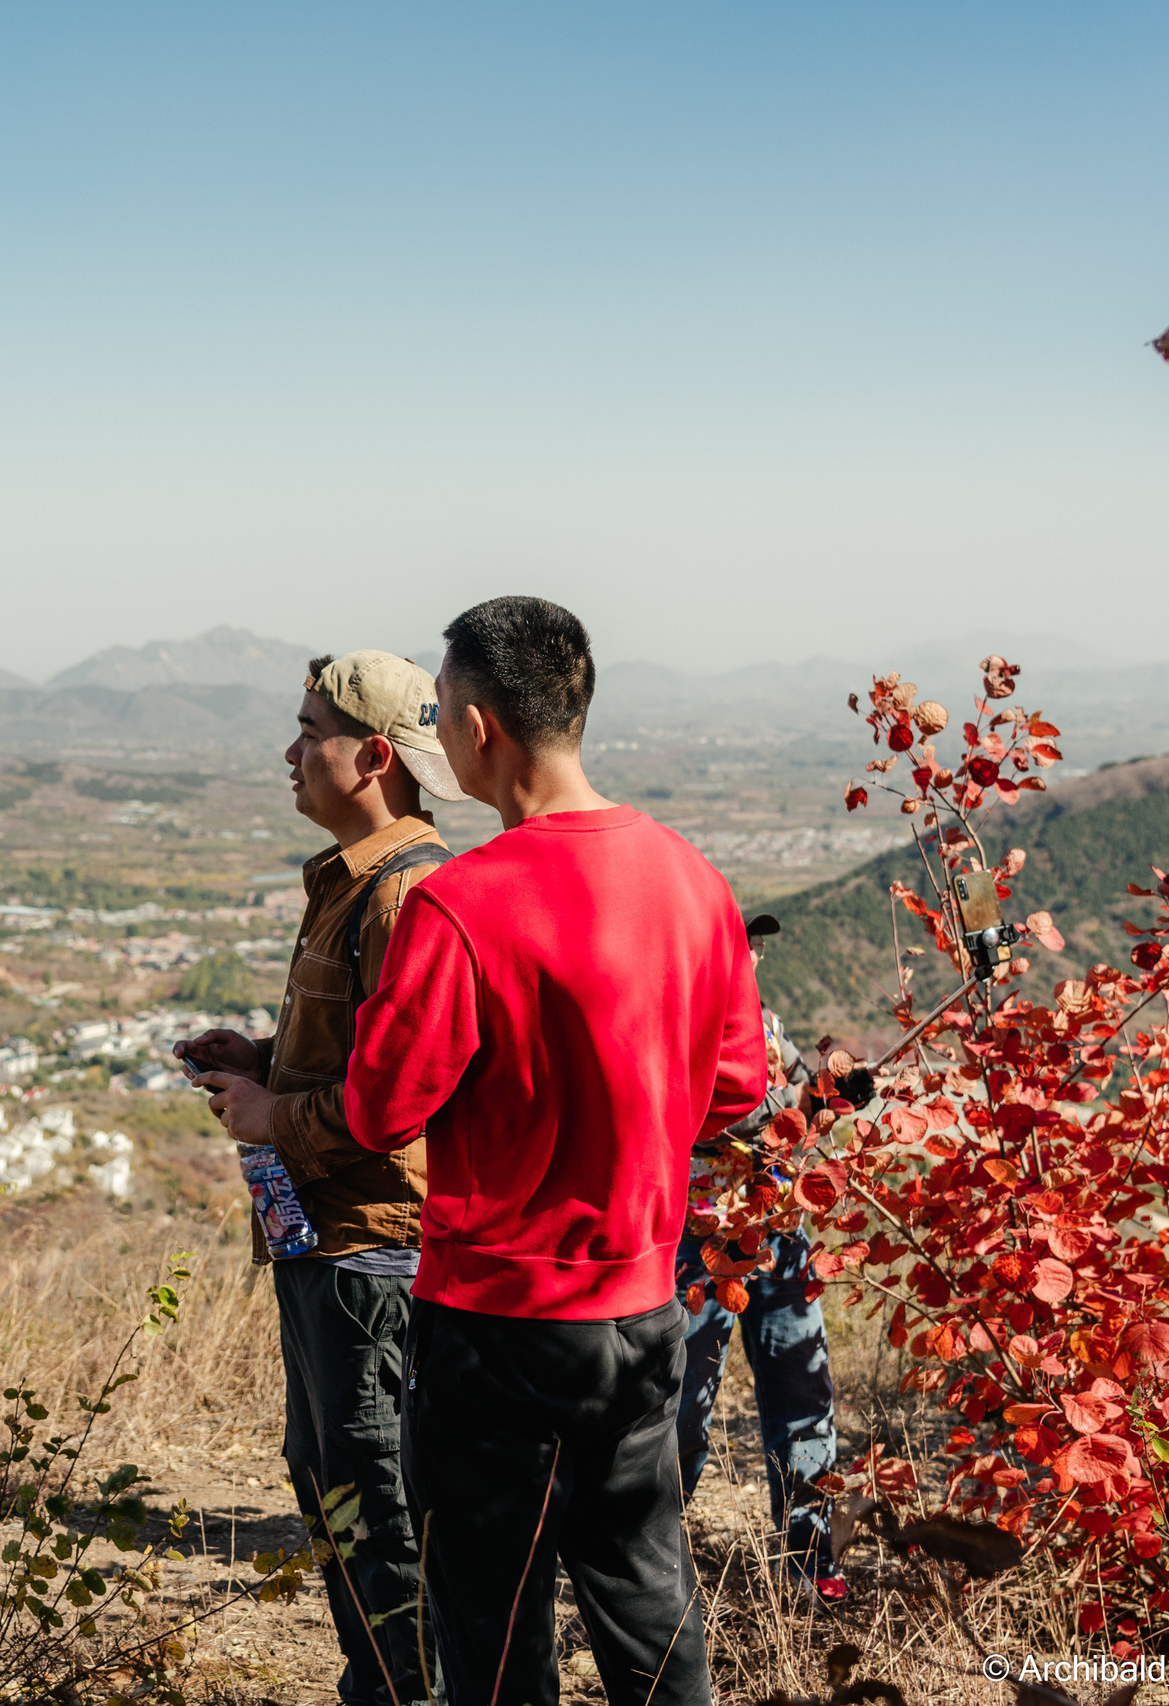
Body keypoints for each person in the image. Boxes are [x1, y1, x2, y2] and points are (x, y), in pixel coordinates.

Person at [343, 597, 765, 1706]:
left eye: (439, 706)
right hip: (640, 1312)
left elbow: (379, 1109)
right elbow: (732, 1090)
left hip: (495, 1326)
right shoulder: (692, 880)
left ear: (480, 727)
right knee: (648, 1606)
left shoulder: (462, 905)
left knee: (492, 1636)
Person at [177, 650, 466, 1706]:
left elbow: (411, 1098)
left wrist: (269, 1113)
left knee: (376, 1496)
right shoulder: (353, 885)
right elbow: (367, 1062)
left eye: (310, 731)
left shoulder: (404, 897)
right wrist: (264, 1061)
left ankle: (406, 1691)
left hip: (373, 1250)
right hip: (332, 1244)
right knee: (336, 1482)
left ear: (375, 755)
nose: (289, 752)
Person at [678, 917, 845, 1601]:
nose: (749, 955)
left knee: (802, 1391)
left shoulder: (768, 1024)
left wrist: (829, 1099)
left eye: (753, 946)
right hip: (700, 1243)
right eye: (735, 944)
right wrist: (797, 1108)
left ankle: (811, 1566)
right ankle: (657, 1560)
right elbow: (738, 1112)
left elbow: (804, 1113)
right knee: (684, 1403)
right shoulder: (682, 1023)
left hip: (776, 1230)